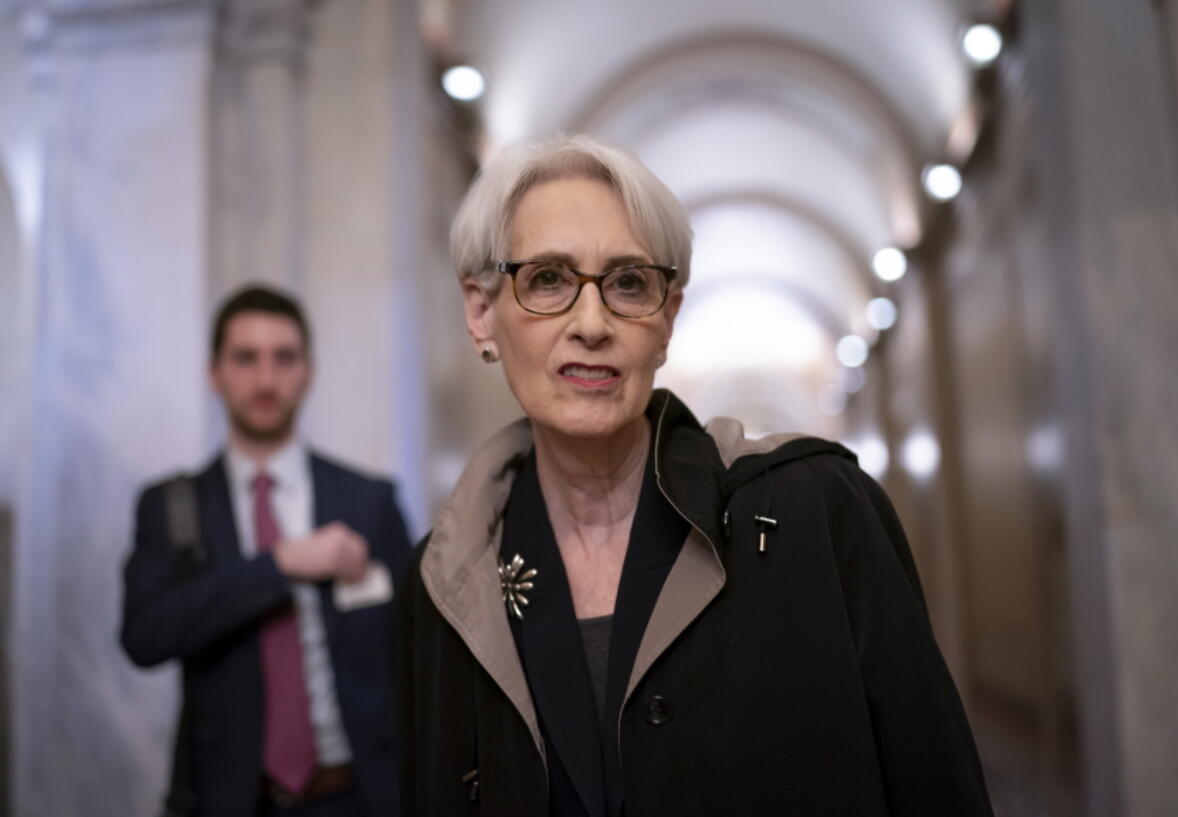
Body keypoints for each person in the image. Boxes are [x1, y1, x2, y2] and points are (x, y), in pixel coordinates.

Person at [397, 135, 995, 816]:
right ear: (481, 313)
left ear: (666, 319)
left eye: (628, 282)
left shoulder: (818, 509)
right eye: (548, 279)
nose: (591, 323)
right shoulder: (444, 583)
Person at [121, 286, 412, 817]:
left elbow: (416, 650)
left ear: (308, 373)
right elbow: (144, 635)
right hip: (233, 799)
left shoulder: (368, 502)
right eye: (245, 358)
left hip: (358, 797)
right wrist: (278, 565)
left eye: (284, 358)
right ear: (215, 373)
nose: (265, 379)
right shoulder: (173, 507)